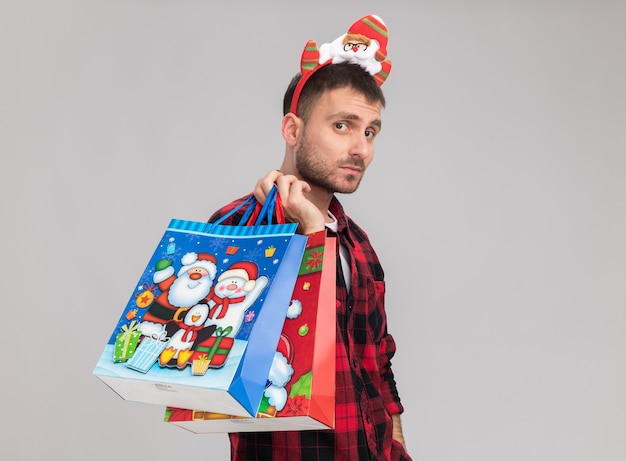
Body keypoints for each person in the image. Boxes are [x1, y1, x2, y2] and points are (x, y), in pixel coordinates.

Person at [208, 14, 412, 461]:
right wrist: (308, 232)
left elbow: (378, 361)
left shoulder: (358, 243)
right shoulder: (239, 229)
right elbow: (230, 363)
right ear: (293, 130)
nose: (361, 148)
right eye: (342, 126)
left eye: (370, 131)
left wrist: (396, 444)